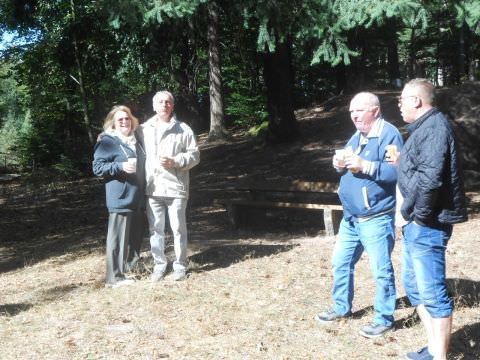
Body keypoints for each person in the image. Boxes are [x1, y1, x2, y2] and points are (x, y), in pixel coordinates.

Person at [315, 92, 403, 339]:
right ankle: (341, 307)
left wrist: (365, 165)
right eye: (351, 112)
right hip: (351, 217)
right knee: (340, 263)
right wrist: (338, 163)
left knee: (381, 270)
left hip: (375, 217)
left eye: (359, 111)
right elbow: (348, 162)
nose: (353, 116)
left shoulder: (389, 134)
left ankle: (384, 319)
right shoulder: (357, 135)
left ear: (374, 110)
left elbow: (397, 172)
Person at [395, 79, 467, 360]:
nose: (398, 104)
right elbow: (422, 170)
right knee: (414, 287)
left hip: (428, 224)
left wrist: (420, 218)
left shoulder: (435, 128)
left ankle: (439, 356)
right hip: (418, 223)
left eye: (401, 99)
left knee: (433, 294)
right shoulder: (424, 129)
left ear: (416, 101)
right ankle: (434, 347)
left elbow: (431, 180)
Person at [138, 91, 200, 282]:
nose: (164, 105)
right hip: (153, 188)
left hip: (176, 188)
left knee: (178, 229)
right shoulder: (143, 129)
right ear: (154, 105)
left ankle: (180, 266)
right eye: (160, 102)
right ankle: (159, 265)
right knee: (155, 229)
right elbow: (121, 135)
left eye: (168, 102)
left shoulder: (183, 129)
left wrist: (176, 161)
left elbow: (195, 156)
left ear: (172, 106)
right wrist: (105, 136)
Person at [93, 105, 146, 288]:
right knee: (117, 239)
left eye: (127, 118)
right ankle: (113, 278)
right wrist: (120, 166)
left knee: (133, 238)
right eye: (120, 119)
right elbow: (97, 168)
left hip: (138, 197)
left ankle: (127, 270)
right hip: (120, 198)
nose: (125, 121)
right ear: (113, 124)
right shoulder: (108, 142)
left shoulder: (136, 140)